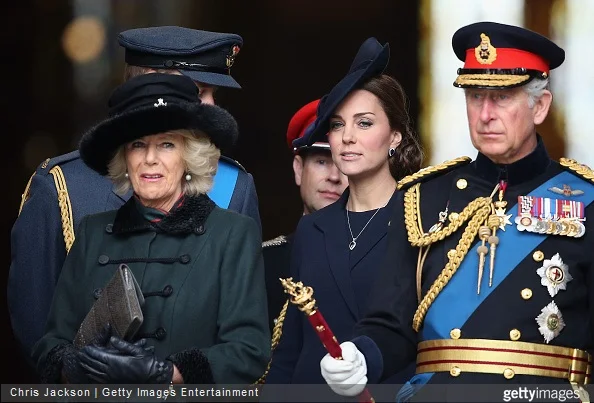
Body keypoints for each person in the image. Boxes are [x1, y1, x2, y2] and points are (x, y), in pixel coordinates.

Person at [319, 21, 593, 402]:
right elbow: (392, 323)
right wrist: (360, 356)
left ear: (540, 106)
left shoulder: (586, 201)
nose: (485, 114)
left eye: (502, 97)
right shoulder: (422, 197)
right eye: (475, 97)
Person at [9, 26, 261, 365]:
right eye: (198, 91)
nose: (213, 105)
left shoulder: (234, 183)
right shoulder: (61, 185)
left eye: (214, 93)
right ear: (149, 88)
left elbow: (243, 337)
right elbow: (37, 324)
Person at [265, 37, 423, 387]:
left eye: (364, 123)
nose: (347, 137)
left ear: (395, 136)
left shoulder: (420, 221)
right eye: (337, 124)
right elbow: (291, 347)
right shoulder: (312, 229)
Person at [263, 99, 347, 335]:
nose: (333, 176)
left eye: (343, 165)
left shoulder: (385, 258)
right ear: (298, 169)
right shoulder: (261, 262)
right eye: (321, 162)